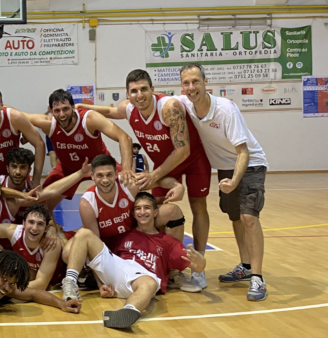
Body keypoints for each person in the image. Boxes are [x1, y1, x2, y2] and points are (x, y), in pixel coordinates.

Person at [78, 69, 212, 289]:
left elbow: (183, 150)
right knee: (156, 212)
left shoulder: (170, 108)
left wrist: (155, 175)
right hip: (164, 166)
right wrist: (83, 107)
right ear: (127, 94)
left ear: (152, 89)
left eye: (143, 89)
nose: (139, 95)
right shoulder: (129, 108)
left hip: (191, 158)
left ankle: (198, 266)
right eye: (134, 91)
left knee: (198, 207)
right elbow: (110, 111)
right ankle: (162, 262)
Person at [179, 63, 268, 301]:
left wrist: (234, 181)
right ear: (182, 87)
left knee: (249, 217)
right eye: (186, 83)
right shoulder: (184, 104)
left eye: (196, 81)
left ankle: (258, 279)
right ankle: (246, 267)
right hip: (226, 167)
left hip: (249, 163)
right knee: (236, 217)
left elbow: (243, 152)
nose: (191, 87)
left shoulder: (226, 109)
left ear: (206, 83)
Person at [60, 192, 206, 328]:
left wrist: (201, 262)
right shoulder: (123, 235)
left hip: (142, 277)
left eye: (147, 208)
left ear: (155, 212)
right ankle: (70, 283)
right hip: (118, 267)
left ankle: (127, 313)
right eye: (138, 209)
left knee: (149, 283)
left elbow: (197, 267)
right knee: (84, 233)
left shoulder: (168, 242)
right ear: (133, 213)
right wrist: (100, 284)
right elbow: (97, 257)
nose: (142, 212)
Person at [0, 161, 91, 272]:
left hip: (5, 259)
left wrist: (80, 174)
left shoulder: (10, 205)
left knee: (54, 232)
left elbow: (50, 192)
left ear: (1, 190)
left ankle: (76, 269)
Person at [20, 89, 134, 211]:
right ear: (51, 111)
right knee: (40, 203)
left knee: (133, 186)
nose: (62, 114)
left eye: (66, 109)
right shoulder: (48, 123)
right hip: (68, 168)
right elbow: (12, 114)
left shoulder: (90, 119)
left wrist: (126, 169)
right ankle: (52, 227)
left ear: (73, 107)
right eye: (57, 111)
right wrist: (28, 131)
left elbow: (124, 138)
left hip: (99, 165)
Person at [80, 154, 186, 251]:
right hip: (107, 244)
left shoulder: (128, 185)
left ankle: (173, 268)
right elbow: (94, 243)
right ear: (92, 176)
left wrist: (177, 186)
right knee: (70, 250)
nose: (105, 180)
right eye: (100, 175)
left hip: (134, 232)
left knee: (172, 211)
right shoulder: (88, 202)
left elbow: (158, 180)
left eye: (109, 174)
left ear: (117, 174)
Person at [0, 204, 73, 290]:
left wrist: (6, 287)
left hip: (60, 273)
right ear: (23, 223)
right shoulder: (14, 232)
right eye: (31, 222)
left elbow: (41, 284)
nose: (34, 228)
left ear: (46, 228)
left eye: (40, 224)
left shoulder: (50, 243)